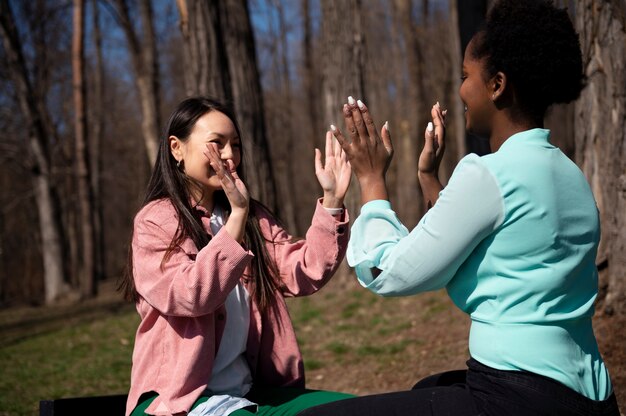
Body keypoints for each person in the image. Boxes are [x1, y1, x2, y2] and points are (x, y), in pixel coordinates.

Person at [298, 1, 620, 415]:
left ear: (498, 85)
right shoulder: (570, 175)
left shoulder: (488, 173)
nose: (461, 90)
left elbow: (391, 273)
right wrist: (432, 182)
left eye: (466, 77)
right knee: (428, 386)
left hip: (517, 396)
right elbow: (500, 251)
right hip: (588, 395)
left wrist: (372, 180)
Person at [119, 96, 353, 416]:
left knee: (353, 409)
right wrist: (237, 217)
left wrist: (332, 202)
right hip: (179, 401)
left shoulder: (253, 218)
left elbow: (303, 270)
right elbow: (191, 294)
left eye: (236, 145)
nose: (229, 155)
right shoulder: (156, 220)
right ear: (176, 148)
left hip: (250, 394)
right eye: (217, 143)